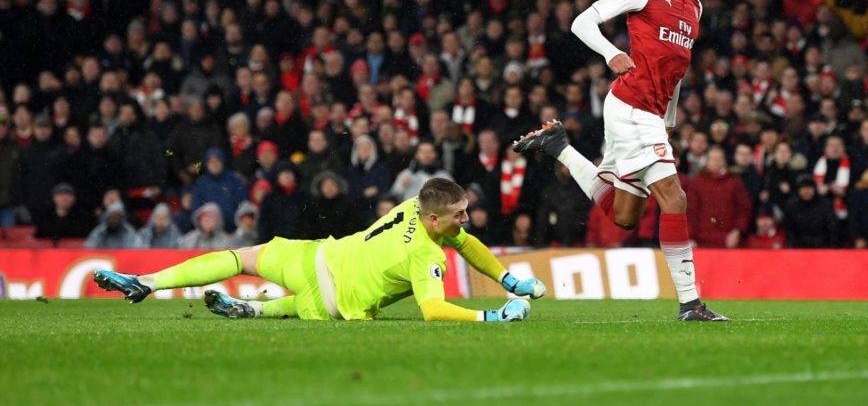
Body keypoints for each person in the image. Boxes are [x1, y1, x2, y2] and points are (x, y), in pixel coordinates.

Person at [514, 0, 728, 321]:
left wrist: (669, 119)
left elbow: (676, 71)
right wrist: (611, 53)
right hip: (631, 105)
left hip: (649, 114)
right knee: (675, 198)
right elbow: (582, 22)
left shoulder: (695, 7)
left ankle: (559, 147)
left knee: (626, 216)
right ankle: (690, 304)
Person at [94, 178, 543, 322]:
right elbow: (433, 310)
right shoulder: (426, 255)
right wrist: (492, 316)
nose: (465, 220)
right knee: (310, 305)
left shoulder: (414, 204)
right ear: (433, 220)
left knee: (240, 258)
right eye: (459, 214)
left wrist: (507, 278)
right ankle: (256, 310)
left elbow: (467, 243)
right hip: (328, 303)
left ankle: (147, 282)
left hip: (311, 257)